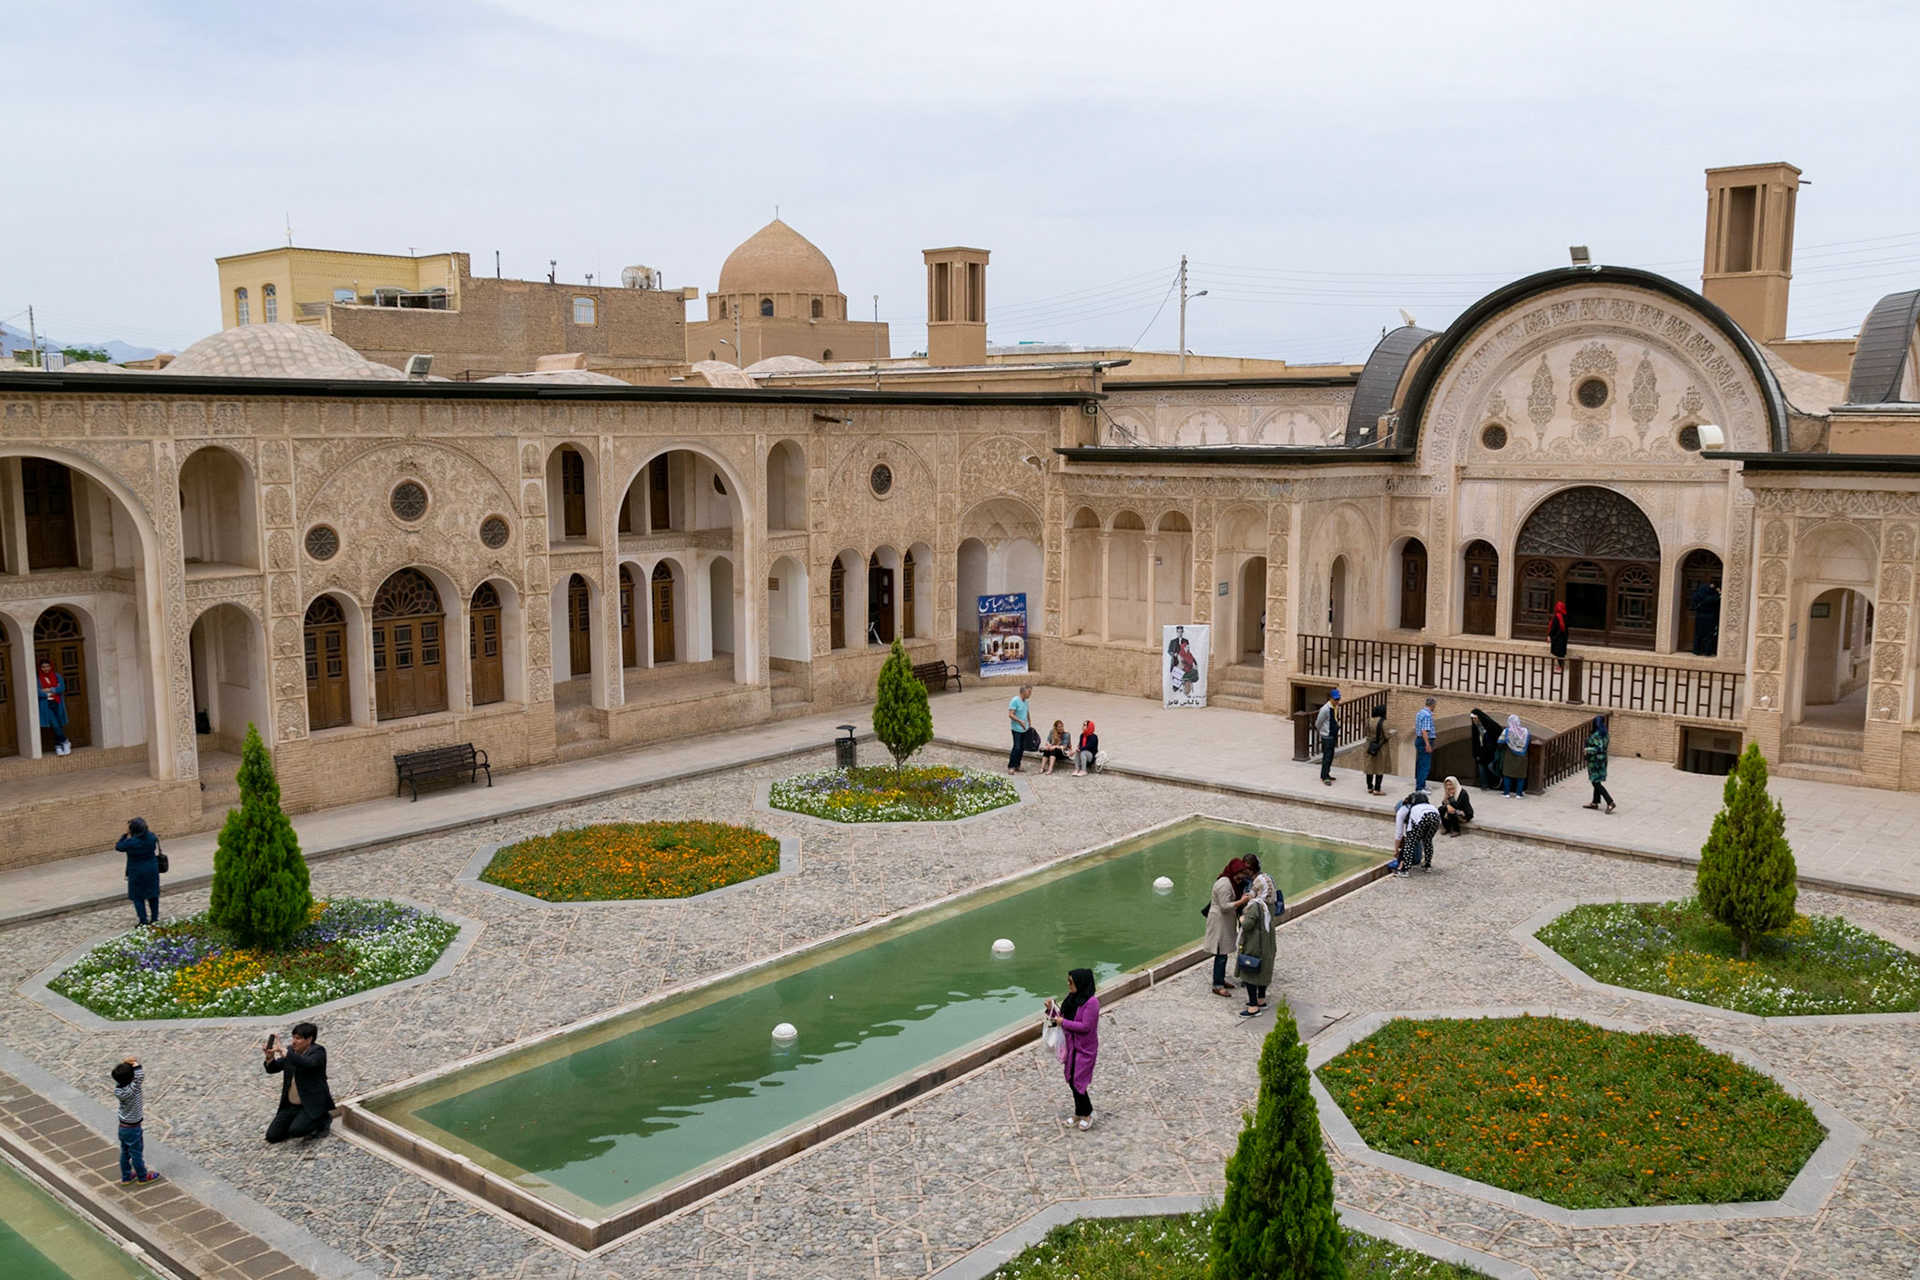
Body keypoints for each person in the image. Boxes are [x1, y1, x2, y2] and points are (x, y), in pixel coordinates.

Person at [1044, 969, 1100, 1130]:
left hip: (1084, 1049)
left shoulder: (1091, 1003)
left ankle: (1088, 1113)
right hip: (1071, 1046)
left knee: (1078, 1081)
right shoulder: (1072, 999)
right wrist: (1051, 1010)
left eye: (1071, 982)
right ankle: (1079, 1112)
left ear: (1080, 983)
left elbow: (1085, 1026)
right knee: (1071, 1079)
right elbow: (1062, 1017)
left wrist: (1063, 1022)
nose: (1069, 985)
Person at [263, 1022, 335, 1143]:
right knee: (272, 1136)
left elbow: (306, 1063)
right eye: (293, 1037)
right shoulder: (292, 1051)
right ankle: (298, 1121)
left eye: (298, 1038)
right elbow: (273, 1069)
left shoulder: (318, 1052)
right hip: (291, 1105)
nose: (293, 1041)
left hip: (310, 1103)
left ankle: (323, 1118)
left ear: (309, 1039)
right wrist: (269, 1057)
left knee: (297, 1131)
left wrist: (286, 1054)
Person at [1205, 857, 1250, 997]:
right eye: (1242, 874)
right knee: (1220, 954)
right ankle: (1217, 985)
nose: (1243, 877)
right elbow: (1224, 906)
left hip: (1225, 922)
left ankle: (1221, 980)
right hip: (1219, 923)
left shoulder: (1232, 882)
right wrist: (1241, 901)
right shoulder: (1224, 884)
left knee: (1223, 953)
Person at [110, 1058, 159, 1185]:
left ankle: (126, 1176)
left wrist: (126, 1066)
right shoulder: (133, 1089)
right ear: (132, 1079)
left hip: (123, 1126)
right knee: (136, 1154)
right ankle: (142, 1177)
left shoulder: (119, 1090)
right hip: (133, 1128)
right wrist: (136, 1065)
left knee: (125, 1153)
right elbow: (140, 1076)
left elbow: (134, 1077)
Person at [1235, 891, 1275, 1017]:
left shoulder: (1254, 906)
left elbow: (1247, 925)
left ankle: (1253, 1007)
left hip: (1254, 945)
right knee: (1262, 970)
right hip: (1266, 945)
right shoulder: (1267, 904)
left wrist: (1241, 919)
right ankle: (1261, 999)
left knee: (1249, 974)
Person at [117, 817, 161, 926]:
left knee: (138, 896)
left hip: (136, 871)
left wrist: (125, 834)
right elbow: (150, 835)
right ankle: (155, 918)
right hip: (151, 868)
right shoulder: (151, 838)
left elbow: (118, 847)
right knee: (153, 893)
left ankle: (143, 920)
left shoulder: (130, 842)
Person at [1391, 790, 1441, 875]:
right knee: (1428, 841)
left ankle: (1404, 870)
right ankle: (1427, 865)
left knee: (1410, 842)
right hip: (1435, 817)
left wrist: (1396, 851)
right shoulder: (1429, 806)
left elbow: (1399, 833)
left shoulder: (1406, 808)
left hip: (1421, 817)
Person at [38, 658, 72, 756]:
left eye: (47, 666)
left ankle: (58, 746)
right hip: (47, 705)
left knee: (59, 724)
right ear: (40, 668)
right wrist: (50, 692)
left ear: (51, 666)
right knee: (55, 724)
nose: (45, 669)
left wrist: (48, 689)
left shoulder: (57, 676)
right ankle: (65, 741)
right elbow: (38, 692)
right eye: (43, 667)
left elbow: (62, 688)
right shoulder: (38, 678)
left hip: (57, 703)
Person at [1583, 715, 1616, 813]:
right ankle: (1595, 802)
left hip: (1595, 761)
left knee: (1595, 782)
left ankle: (1610, 801)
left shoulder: (1597, 735)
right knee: (1597, 780)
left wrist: (1587, 750)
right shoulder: (1605, 734)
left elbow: (1599, 748)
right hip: (1602, 760)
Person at [1469, 708, 1503, 790]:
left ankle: (1497, 782)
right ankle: (1485, 785)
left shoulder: (1490, 725)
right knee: (1482, 768)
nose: (1474, 720)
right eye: (1473, 719)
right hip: (1481, 752)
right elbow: (1475, 740)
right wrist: (1476, 753)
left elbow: (1497, 733)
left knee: (1491, 767)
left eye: (1475, 718)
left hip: (1491, 751)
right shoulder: (1476, 727)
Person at [1314, 688, 1341, 785]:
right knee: (1327, 756)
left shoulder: (1335, 707)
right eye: (1335, 699)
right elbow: (1318, 722)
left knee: (1331, 756)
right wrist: (1322, 731)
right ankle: (1324, 776)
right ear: (1330, 698)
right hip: (1327, 736)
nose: (1337, 701)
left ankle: (1327, 773)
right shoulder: (1325, 709)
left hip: (1333, 735)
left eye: (1338, 699)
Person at [1500, 715, 1531, 797]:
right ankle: (1519, 794)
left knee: (1507, 774)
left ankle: (1507, 793)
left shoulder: (1507, 732)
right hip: (1522, 756)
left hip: (1509, 756)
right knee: (1521, 775)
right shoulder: (1525, 732)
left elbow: (1500, 742)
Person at [1007, 683, 1033, 774]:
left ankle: (1018, 764)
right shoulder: (1015, 700)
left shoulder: (1025, 701)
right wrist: (1020, 721)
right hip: (1017, 728)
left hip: (1024, 728)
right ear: (1024, 691)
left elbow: (1027, 711)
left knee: (1022, 748)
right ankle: (1011, 765)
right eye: (1029, 692)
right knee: (1017, 747)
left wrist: (1029, 721)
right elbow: (1010, 714)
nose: (1030, 694)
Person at [1363, 703, 1389, 795]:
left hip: (1369, 745)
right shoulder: (1383, 722)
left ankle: (1370, 787)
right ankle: (1377, 789)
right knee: (1379, 768)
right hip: (1380, 747)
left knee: (1369, 766)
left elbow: (1365, 732)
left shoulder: (1368, 720)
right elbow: (1387, 735)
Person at [1691, 582, 1721, 656]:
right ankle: (1708, 652)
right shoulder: (1713, 598)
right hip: (1710, 617)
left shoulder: (1697, 596)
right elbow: (1719, 602)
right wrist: (1719, 593)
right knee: (1708, 635)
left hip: (1700, 616)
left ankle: (1696, 651)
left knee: (1698, 634)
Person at [1413, 696, 1437, 791]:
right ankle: (1420, 787)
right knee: (1425, 765)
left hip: (1419, 740)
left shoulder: (1420, 712)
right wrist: (1427, 744)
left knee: (1420, 764)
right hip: (1424, 741)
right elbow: (1424, 731)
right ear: (1432, 704)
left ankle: (1421, 784)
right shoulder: (1427, 715)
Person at [1549, 601, 1570, 672]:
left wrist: (1550, 635)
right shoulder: (1566, 616)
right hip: (1564, 636)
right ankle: (1561, 665)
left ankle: (1561, 666)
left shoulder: (1557, 617)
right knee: (1562, 651)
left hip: (1558, 637)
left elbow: (1554, 627)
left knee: (1558, 652)